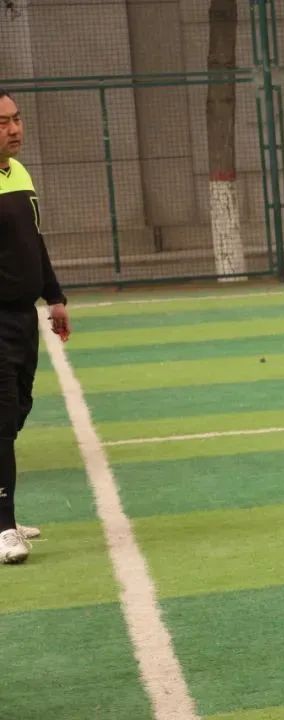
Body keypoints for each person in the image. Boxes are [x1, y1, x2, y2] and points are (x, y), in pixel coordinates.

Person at [0, 89, 71, 564]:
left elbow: (35, 245)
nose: (14, 128)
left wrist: (56, 295)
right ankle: (4, 527)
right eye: (3, 122)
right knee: (2, 417)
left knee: (19, 408)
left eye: (17, 118)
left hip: (23, 317)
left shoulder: (19, 173)